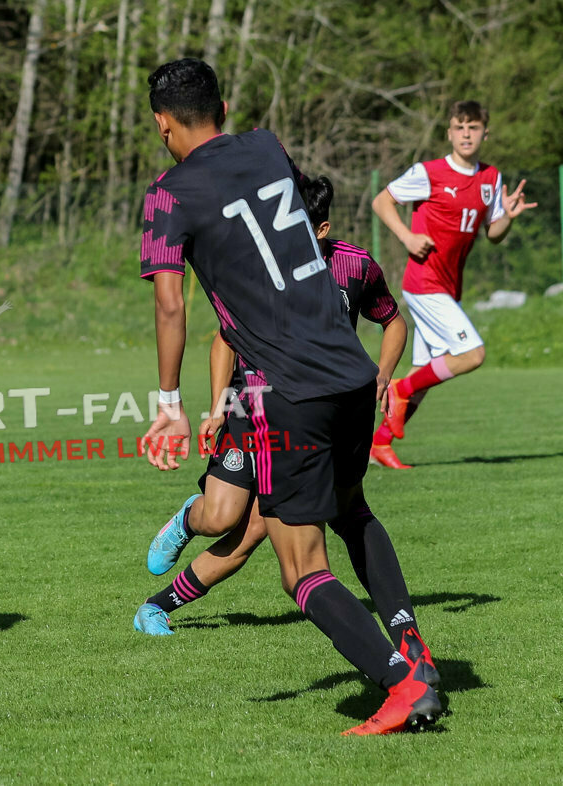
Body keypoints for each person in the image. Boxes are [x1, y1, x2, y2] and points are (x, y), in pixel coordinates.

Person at [138, 59, 439, 735]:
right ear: (222, 104)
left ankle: (403, 685)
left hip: (286, 390)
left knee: (301, 569)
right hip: (352, 371)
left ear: (162, 123)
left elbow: (168, 305)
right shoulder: (268, 146)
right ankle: (407, 635)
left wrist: (167, 402)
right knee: (354, 511)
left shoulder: (168, 194)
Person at [370, 100, 536, 469]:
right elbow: (381, 201)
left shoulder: (491, 178)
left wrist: (507, 217)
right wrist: (407, 238)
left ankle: (378, 444)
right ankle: (398, 390)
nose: (466, 133)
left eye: (473, 127)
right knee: (472, 354)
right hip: (423, 282)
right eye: (460, 127)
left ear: (484, 134)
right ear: (449, 132)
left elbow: (493, 234)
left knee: (424, 377)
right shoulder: (428, 172)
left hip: (448, 286)